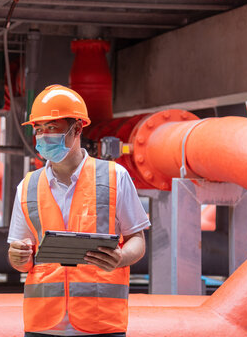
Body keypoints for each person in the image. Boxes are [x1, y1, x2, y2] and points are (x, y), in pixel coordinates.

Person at [8, 85, 150, 337]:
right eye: (38, 130)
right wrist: (17, 258)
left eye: (52, 128)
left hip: (101, 323)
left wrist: (121, 257)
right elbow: (21, 259)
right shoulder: (27, 187)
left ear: (77, 128)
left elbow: (137, 240)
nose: (43, 136)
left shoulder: (115, 176)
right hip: (43, 324)